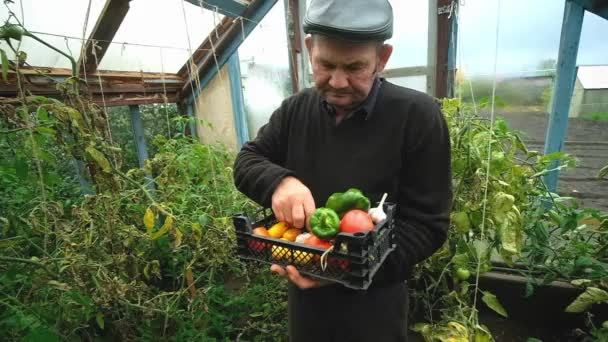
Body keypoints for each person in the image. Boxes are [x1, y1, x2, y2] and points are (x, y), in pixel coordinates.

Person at [234, 0, 452, 340]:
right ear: (309, 49)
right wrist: (280, 182)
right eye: (325, 64)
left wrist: (347, 269)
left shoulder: (418, 117)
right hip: (305, 305)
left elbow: (428, 225)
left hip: (375, 308)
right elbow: (248, 160)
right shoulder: (295, 110)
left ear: (382, 58)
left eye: (355, 67)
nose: (337, 81)